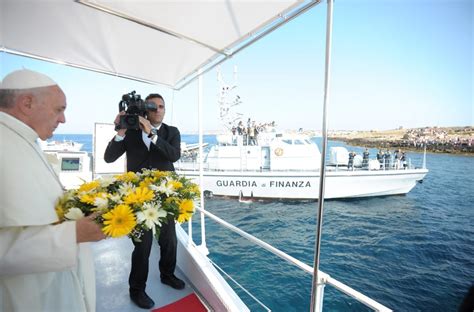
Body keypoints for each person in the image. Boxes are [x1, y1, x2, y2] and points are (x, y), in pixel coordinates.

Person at [0, 69, 106, 311]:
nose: (64, 120)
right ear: (26, 103)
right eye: (59, 109)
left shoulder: (25, 139)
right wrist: (74, 234)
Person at [104, 93, 184, 309]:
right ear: (145, 111)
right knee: (143, 244)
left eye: (162, 106)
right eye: (153, 106)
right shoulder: (129, 132)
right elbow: (109, 157)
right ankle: (137, 289)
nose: (158, 110)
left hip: (164, 195)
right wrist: (120, 131)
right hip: (138, 197)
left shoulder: (171, 132)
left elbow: (173, 155)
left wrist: (152, 134)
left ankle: (167, 274)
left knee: (169, 240)